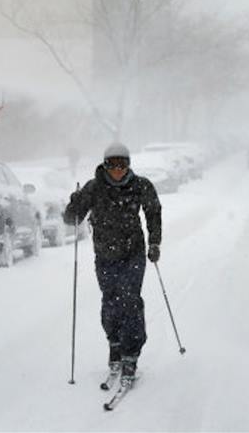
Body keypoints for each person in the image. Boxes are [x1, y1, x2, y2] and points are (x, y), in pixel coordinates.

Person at [63, 142, 162, 388]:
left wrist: (154, 243)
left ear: (129, 165)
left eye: (122, 164)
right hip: (105, 255)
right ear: (105, 165)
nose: (117, 169)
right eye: (112, 164)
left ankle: (131, 355)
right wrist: (74, 203)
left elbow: (153, 213)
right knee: (110, 301)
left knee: (130, 301)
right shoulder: (94, 188)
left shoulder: (141, 185)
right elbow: (71, 219)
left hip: (133, 254)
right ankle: (115, 346)